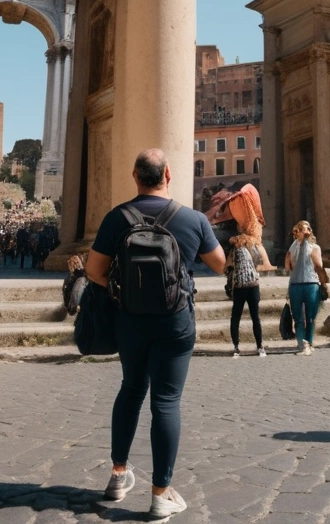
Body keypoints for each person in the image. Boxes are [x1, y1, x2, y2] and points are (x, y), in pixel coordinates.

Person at [85, 149, 225, 520]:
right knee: (166, 400)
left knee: (131, 389)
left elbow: (94, 270)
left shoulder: (118, 218)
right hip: (175, 321)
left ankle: (118, 475)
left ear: (135, 176)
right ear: (168, 174)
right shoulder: (192, 219)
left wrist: (122, 292)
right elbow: (220, 264)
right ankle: (161, 493)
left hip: (129, 320)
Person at [224, 225, 274, 358]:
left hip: (240, 286)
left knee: (236, 317)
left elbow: (226, 267)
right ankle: (259, 346)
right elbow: (260, 264)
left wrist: (230, 273)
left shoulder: (234, 250)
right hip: (252, 285)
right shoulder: (252, 248)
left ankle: (237, 347)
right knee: (254, 317)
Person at [284, 220, 329, 356]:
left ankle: (309, 341)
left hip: (311, 283)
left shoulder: (315, 247)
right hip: (296, 284)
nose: (305, 231)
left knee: (310, 316)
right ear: (296, 232)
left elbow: (319, 265)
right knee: (297, 317)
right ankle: (301, 343)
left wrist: (324, 283)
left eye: (307, 229)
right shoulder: (292, 247)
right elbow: (287, 267)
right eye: (302, 229)